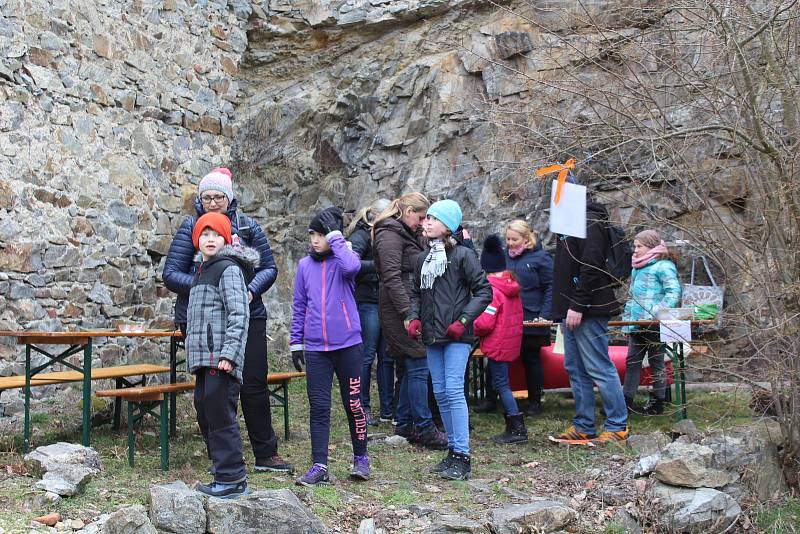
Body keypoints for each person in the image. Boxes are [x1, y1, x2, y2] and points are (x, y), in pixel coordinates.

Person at [163, 168, 292, 474]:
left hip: (247, 313)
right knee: (209, 390)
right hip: (202, 319)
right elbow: (170, 273)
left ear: (229, 197)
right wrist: (208, 286)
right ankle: (220, 455)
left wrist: (248, 290)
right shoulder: (191, 228)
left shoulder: (248, 227)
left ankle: (265, 452)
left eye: (218, 196)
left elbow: (268, 269)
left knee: (254, 385)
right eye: (206, 197)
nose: (212, 202)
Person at [408, 200, 493, 480]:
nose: (426, 222)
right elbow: (416, 294)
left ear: (448, 226)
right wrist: (414, 318)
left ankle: (463, 456)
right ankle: (452, 451)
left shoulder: (463, 256)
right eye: (426, 218)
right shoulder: (423, 259)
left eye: (433, 218)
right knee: (441, 392)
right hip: (433, 336)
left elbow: (483, 291)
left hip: (458, 335)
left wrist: (464, 321)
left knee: (454, 391)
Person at [290, 207, 370, 486]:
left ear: (332, 236)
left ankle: (361, 458)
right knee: (319, 407)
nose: (315, 239)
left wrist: (336, 237)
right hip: (316, 349)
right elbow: (299, 305)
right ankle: (319, 465)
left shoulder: (343, 260)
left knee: (354, 403)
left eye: (321, 234)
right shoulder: (304, 266)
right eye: (312, 234)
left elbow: (353, 267)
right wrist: (296, 343)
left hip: (348, 344)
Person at [187, 212, 256, 499]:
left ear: (225, 239)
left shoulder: (228, 269)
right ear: (197, 240)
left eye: (216, 234)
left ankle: (232, 478)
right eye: (205, 234)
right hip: (204, 357)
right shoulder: (201, 271)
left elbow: (240, 314)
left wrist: (229, 354)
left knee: (219, 411)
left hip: (221, 357)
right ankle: (221, 471)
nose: (210, 239)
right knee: (204, 407)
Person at [372, 193, 448, 450]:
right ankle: (425, 427)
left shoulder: (404, 233)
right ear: (407, 211)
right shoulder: (389, 235)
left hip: (409, 306)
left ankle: (405, 425)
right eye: (420, 216)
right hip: (398, 309)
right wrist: (408, 313)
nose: (422, 222)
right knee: (418, 362)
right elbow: (391, 277)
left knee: (408, 366)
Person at [551, 202, 628, 444]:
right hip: (572, 309)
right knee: (575, 368)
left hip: (587, 309)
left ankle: (617, 426)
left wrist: (577, 305)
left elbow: (591, 265)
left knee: (599, 366)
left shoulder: (590, 221)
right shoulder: (570, 223)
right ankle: (584, 425)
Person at [474, 220, 553, 416]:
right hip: (505, 317)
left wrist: (544, 314)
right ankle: (490, 399)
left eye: (514, 239)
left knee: (531, 359)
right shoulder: (504, 258)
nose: (510, 243)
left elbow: (551, 287)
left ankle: (534, 401)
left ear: (526, 239)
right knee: (496, 358)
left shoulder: (541, 258)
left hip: (532, 316)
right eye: (508, 239)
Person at [473, 234, 527, 444]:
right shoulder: (511, 284)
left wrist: (470, 324)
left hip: (497, 344)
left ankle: (516, 429)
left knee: (502, 384)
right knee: (502, 381)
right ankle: (515, 427)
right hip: (510, 342)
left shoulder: (492, 290)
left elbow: (485, 323)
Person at [622, 230, 681, 415]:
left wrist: (656, 312)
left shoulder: (664, 266)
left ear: (652, 246)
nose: (635, 250)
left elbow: (674, 292)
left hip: (654, 325)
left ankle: (658, 402)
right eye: (635, 246)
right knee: (632, 362)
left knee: (656, 362)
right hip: (637, 325)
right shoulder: (637, 268)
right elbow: (632, 297)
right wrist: (626, 321)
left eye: (640, 246)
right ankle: (626, 402)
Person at [347, 198, 393, 425]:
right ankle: (362, 406)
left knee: (386, 356)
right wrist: (380, 268)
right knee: (366, 356)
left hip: (385, 300)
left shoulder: (383, 234)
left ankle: (388, 408)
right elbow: (350, 265)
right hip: (367, 301)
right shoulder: (361, 235)